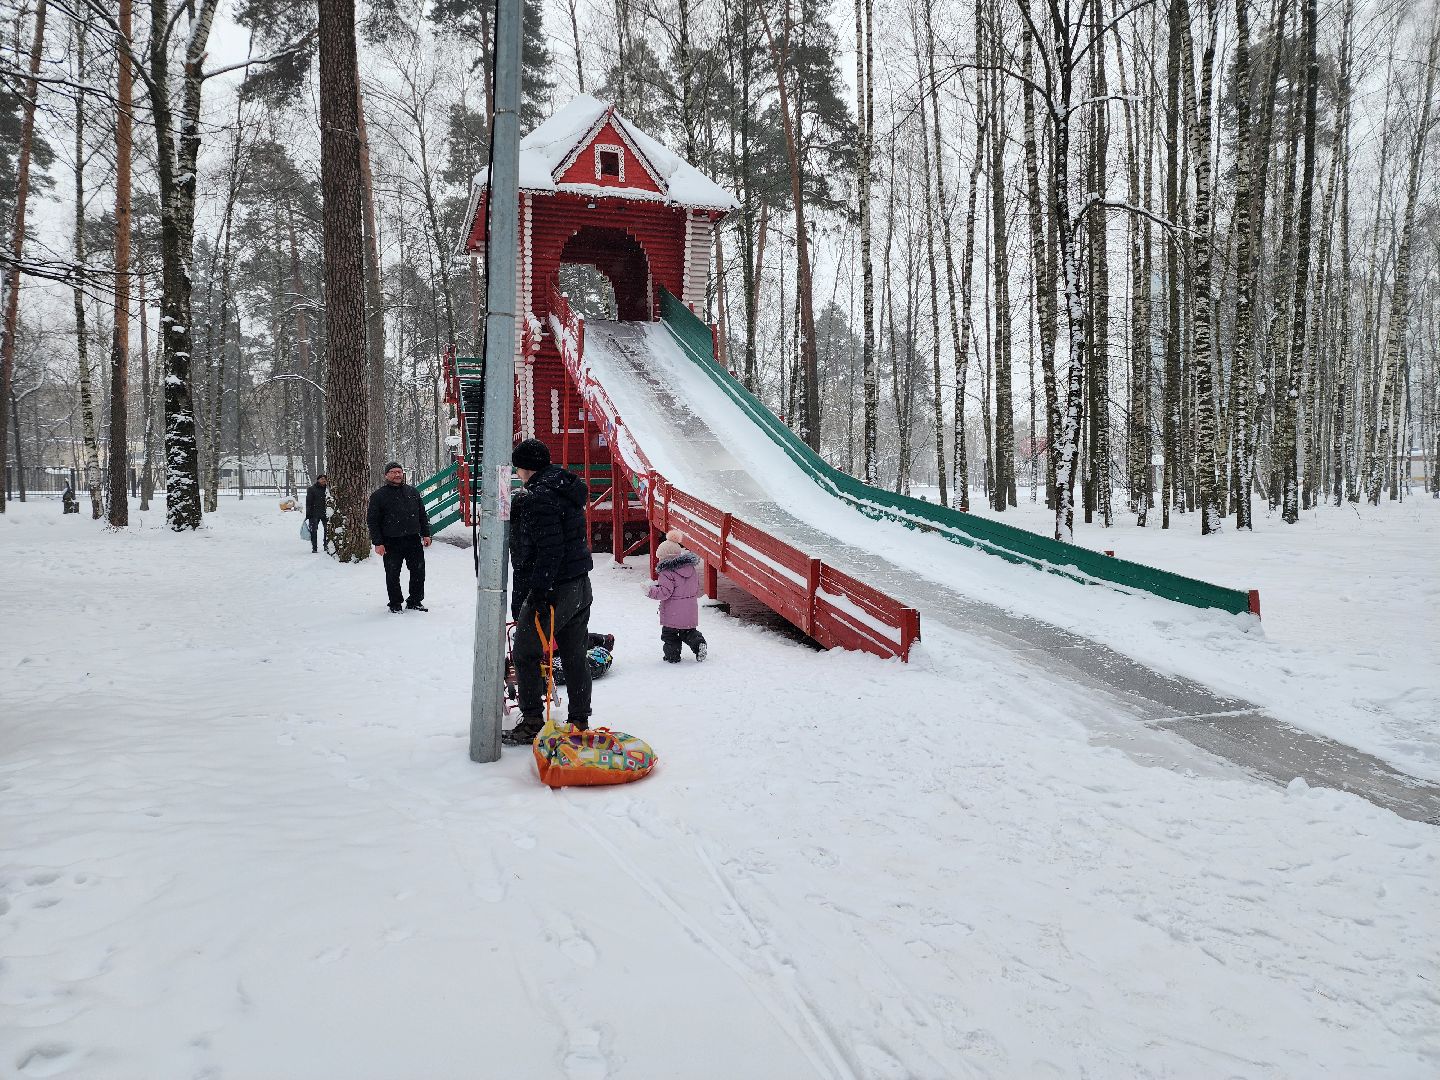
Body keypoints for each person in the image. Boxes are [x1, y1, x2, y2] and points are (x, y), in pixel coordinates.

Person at [503, 438, 594, 746]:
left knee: (526, 652)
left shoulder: (540, 497)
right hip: (580, 583)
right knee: (574, 654)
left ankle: (531, 720)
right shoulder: (565, 488)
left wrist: (540, 591)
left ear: (526, 467)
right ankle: (579, 720)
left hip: (556, 588)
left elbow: (550, 550)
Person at [367, 462, 432, 613]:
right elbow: (373, 520)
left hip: (413, 540)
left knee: (418, 571)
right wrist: (378, 542)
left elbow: (422, 514)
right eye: (393, 472)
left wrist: (426, 534)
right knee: (392, 573)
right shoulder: (378, 496)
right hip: (391, 541)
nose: (397, 474)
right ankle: (395, 603)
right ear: (386, 475)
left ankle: (415, 601)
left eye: (399, 472)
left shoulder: (412, 492)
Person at [647, 530, 707, 663]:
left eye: (660, 557)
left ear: (665, 557)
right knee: (688, 632)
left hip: (672, 612)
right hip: (690, 609)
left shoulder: (667, 572)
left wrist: (649, 591)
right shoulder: (690, 568)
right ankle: (698, 644)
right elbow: (694, 586)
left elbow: (665, 592)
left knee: (670, 635)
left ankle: (672, 656)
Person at [304, 474, 329, 553]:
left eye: (325, 479)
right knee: (313, 531)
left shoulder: (328, 489)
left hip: (326, 513)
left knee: (327, 530)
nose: (324, 480)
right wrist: (308, 514)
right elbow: (308, 502)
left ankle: (326, 546)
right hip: (314, 513)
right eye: (322, 479)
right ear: (318, 480)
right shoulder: (312, 489)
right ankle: (314, 547)